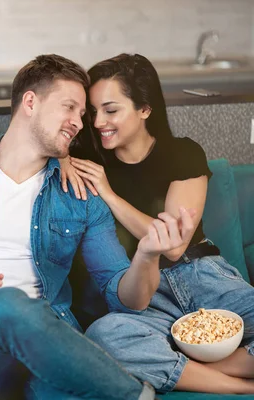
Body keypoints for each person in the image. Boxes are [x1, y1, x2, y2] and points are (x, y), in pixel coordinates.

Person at [0, 54, 197, 400]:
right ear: (30, 102)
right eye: (69, 108)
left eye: (82, 114)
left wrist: (146, 256)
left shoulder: (81, 195)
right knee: (9, 304)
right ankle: (134, 396)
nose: (79, 123)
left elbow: (126, 298)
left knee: (55, 388)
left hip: (50, 343)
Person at [64, 53, 254, 394]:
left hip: (203, 275)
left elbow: (175, 244)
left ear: (145, 109)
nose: (97, 122)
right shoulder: (87, 162)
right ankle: (236, 385)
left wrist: (109, 194)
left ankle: (190, 367)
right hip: (144, 294)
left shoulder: (182, 153)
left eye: (110, 110)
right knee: (103, 336)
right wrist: (62, 158)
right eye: (92, 112)